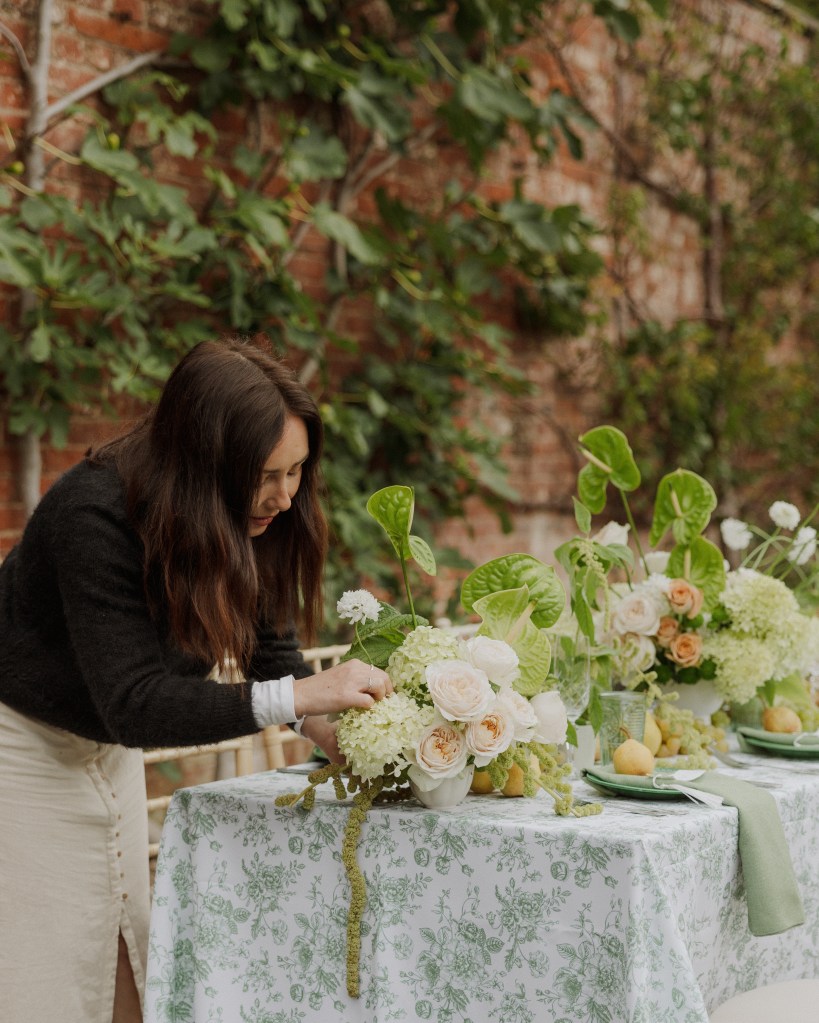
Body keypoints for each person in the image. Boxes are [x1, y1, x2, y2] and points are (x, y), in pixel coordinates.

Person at [0, 336, 392, 1023]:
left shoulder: (247, 515)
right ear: (203, 461)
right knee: (41, 979)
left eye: (296, 470)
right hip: (21, 748)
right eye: (265, 474)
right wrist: (299, 696)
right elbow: (135, 705)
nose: (284, 495)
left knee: (127, 958)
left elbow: (271, 652)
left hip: (105, 747)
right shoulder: (94, 514)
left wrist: (328, 729)